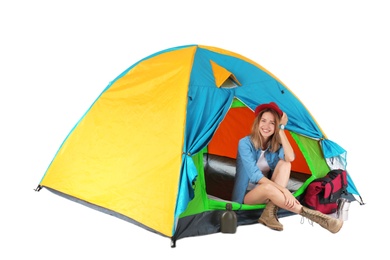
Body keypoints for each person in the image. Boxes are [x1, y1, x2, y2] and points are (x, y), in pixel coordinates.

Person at [231, 102, 343, 233]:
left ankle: (269, 212)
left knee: (285, 164)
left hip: (270, 191)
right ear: (257, 122)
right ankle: (314, 216)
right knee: (267, 188)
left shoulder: (274, 145)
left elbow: (290, 158)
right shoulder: (244, 143)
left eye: (272, 123)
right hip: (247, 195)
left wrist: (281, 130)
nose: (266, 126)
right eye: (263, 121)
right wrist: (284, 190)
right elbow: (255, 176)